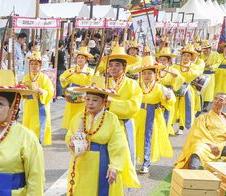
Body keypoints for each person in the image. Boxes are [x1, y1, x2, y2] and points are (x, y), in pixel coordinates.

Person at [61, 85, 138, 196]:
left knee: (99, 195)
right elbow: (70, 135)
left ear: (104, 101)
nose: (90, 103)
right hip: (81, 161)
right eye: (88, 99)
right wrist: (72, 142)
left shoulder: (111, 119)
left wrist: (114, 166)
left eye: (95, 100)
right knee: (76, 194)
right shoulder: (78, 117)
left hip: (102, 160)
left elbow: (118, 143)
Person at [95, 44, 142, 180]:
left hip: (122, 125)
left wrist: (111, 103)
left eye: (117, 65)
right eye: (111, 65)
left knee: (121, 156)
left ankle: (119, 185)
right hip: (103, 123)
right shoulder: (102, 82)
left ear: (124, 67)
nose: (113, 68)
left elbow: (133, 106)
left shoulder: (132, 85)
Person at [174, 92, 226, 169]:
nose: (217, 101)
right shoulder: (203, 118)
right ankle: (193, 169)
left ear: (225, 104)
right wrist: (211, 145)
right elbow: (198, 134)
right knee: (197, 149)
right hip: (210, 146)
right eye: (215, 99)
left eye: (220, 100)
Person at [133, 56, 176, 174]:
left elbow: (169, 102)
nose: (146, 76)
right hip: (137, 114)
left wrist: (168, 97)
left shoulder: (159, 87)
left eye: (149, 73)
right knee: (134, 136)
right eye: (144, 73)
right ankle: (132, 160)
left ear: (155, 74)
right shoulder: (137, 86)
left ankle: (146, 162)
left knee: (148, 137)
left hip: (152, 115)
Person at [21, 51, 55, 146]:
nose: (34, 66)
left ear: (40, 65)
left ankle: (38, 145)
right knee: (28, 127)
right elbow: (22, 91)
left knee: (38, 127)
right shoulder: (26, 78)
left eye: (36, 64)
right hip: (29, 106)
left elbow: (50, 91)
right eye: (32, 64)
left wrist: (41, 91)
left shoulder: (44, 78)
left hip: (40, 106)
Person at [59, 46, 94, 129]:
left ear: (86, 60)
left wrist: (87, 74)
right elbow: (63, 76)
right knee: (71, 112)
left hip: (84, 94)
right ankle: (71, 128)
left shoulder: (90, 71)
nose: (80, 59)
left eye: (82, 58)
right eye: (79, 58)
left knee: (82, 113)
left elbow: (93, 80)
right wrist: (63, 79)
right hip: (72, 93)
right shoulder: (72, 70)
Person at [171, 45, 202, 135]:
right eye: (184, 55)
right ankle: (170, 125)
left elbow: (196, 74)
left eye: (188, 56)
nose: (185, 57)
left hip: (187, 89)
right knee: (173, 107)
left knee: (184, 109)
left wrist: (189, 70)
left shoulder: (193, 67)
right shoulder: (175, 66)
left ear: (191, 57)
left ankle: (181, 127)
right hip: (175, 89)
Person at [156, 43, 184, 135]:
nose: (162, 61)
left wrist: (176, 77)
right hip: (157, 93)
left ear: (168, 61)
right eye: (161, 59)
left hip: (168, 93)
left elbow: (181, 79)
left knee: (167, 112)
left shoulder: (173, 70)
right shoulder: (156, 70)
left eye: (165, 60)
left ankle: (165, 130)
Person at [200, 40, 221, 114]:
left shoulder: (215, 54)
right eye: (204, 49)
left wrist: (212, 67)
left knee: (209, 91)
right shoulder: (200, 55)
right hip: (202, 74)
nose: (206, 50)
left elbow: (218, 62)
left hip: (210, 74)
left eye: (207, 48)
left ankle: (205, 106)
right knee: (200, 89)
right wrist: (203, 65)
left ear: (210, 48)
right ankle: (199, 105)